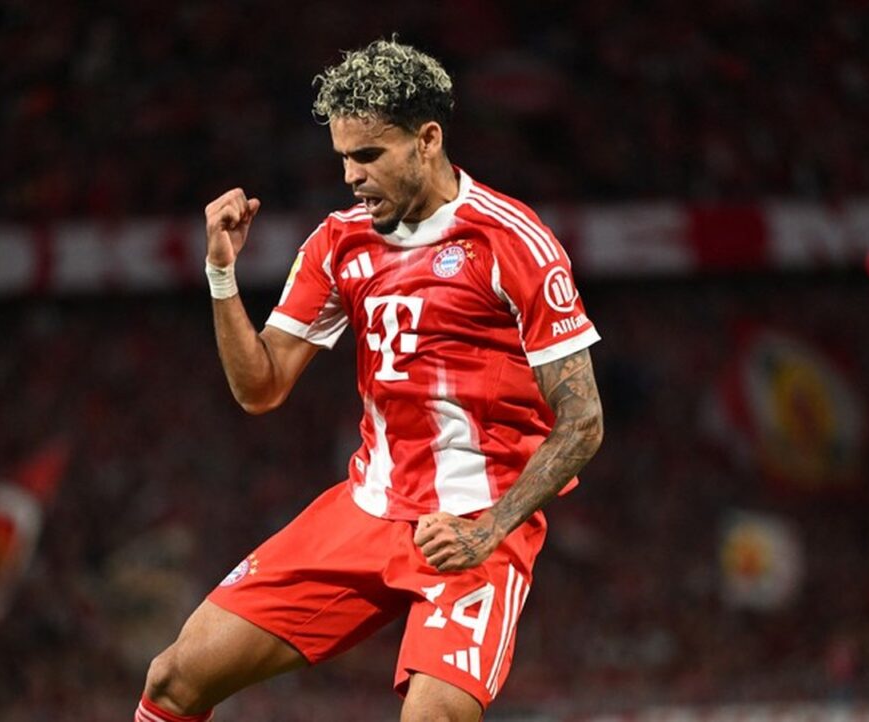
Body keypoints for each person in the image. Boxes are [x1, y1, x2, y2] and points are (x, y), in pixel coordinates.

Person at [137, 38, 603, 722]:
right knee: (173, 678)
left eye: (369, 155)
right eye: (343, 158)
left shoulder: (511, 242)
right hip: (367, 508)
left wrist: (489, 531)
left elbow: (583, 421)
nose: (351, 176)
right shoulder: (338, 241)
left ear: (428, 140)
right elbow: (260, 388)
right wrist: (221, 273)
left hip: (473, 523)